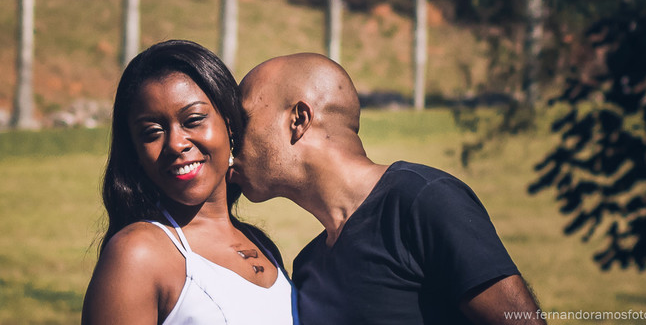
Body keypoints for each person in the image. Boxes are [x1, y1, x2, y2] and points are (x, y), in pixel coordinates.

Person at [235, 52, 542, 325]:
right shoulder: (308, 267)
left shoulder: (423, 199)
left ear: (298, 119)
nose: (230, 140)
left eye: (241, 120)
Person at [82, 40, 297, 325]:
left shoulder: (261, 244)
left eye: (193, 120)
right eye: (152, 132)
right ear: (135, 152)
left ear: (230, 126)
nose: (175, 143)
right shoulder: (137, 254)